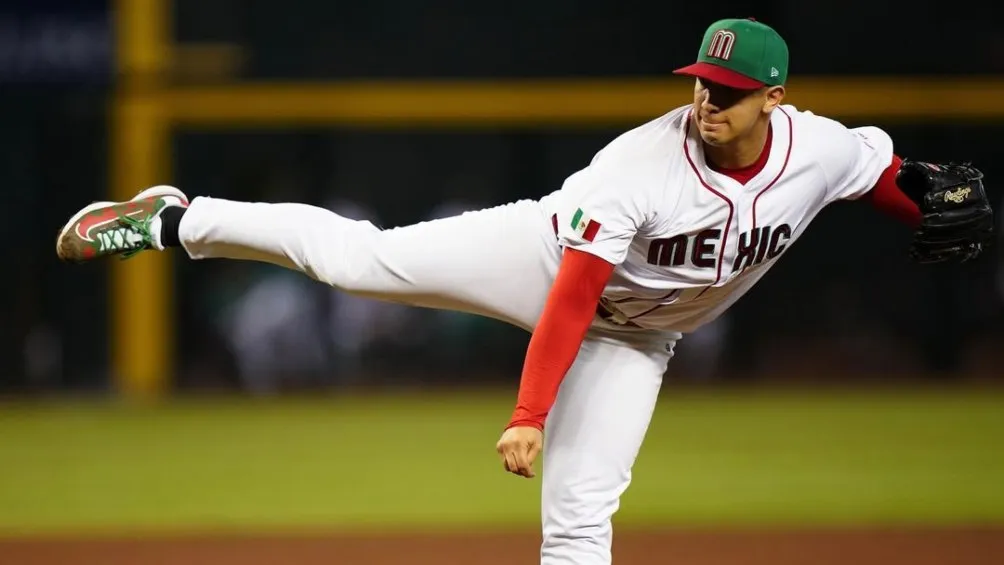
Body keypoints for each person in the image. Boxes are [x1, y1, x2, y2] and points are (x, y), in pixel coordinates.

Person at [56, 18, 993, 565]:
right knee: (358, 262)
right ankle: (178, 217)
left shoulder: (816, 149)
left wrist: (921, 206)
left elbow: (881, 175)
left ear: (773, 100)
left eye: (730, 90)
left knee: (580, 518)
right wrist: (529, 412)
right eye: (703, 84)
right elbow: (573, 295)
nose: (709, 102)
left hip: (639, 340)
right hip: (546, 257)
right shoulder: (639, 167)